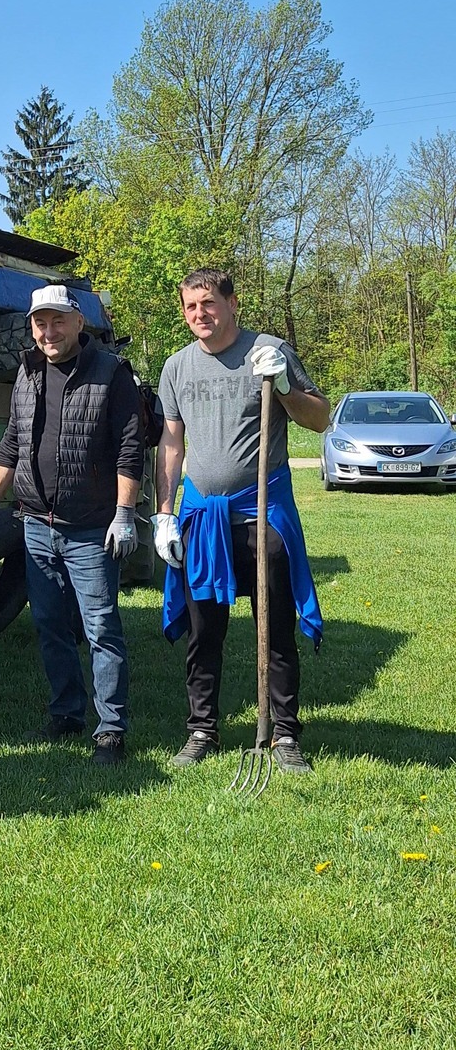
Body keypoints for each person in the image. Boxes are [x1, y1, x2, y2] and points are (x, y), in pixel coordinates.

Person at [154, 267, 330, 771]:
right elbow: (171, 440)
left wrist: (282, 384)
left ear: (233, 303)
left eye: (208, 303)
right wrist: (165, 513)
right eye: (189, 307)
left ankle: (285, 735)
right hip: (201, 518)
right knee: (203, 629)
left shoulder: (268, 350)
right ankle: (202, 729)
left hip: (260, 511)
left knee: (273, 626)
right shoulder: (176, 368)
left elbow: (319, 418)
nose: (199, 315)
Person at [0, 284, 145, 764]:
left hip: (91, 528)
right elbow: (12, 439)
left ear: (78, 322)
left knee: (100, 628)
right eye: (40, 322)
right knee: (49, 623)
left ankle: (111, 729)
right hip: (36, 524)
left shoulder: (111, 373)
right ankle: (67, 713)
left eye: (57, 321)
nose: (48, 332)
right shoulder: (28, 372)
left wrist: (124, 514)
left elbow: (129, 448)